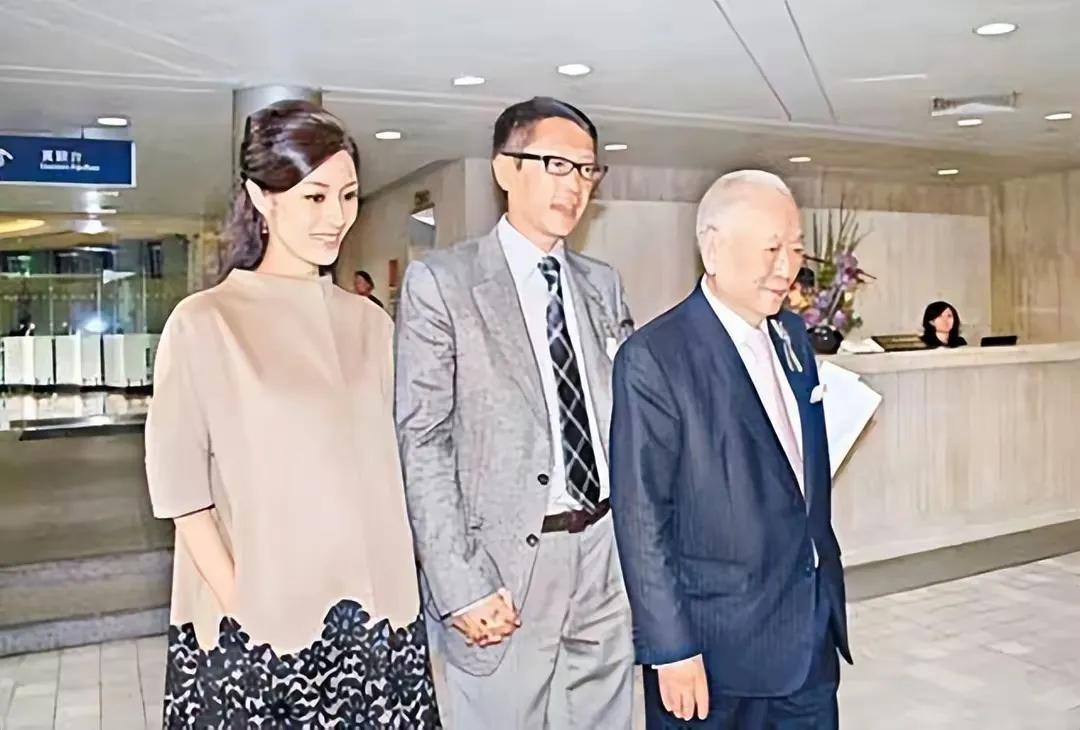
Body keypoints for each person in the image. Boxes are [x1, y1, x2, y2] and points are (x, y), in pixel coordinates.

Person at [144, 100, 440, 728]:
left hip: (379, 626)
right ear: (262, 198)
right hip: (260, 631)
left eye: (348, 197)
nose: (336, 217)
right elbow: (181, 493)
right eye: (315, 197)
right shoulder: (206, 322)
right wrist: (241, 602)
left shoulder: (371, 324)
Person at [394, 96, 635, 729]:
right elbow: (422, 441)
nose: (575, 185)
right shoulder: (443, 283)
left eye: (587, 170)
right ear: (505, 168)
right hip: (505, 561)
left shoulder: (602, 284)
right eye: (557, 165)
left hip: (605, 550)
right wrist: (458, 582)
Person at [610, 170, 851, 729]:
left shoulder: (793, 337)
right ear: (713, 249)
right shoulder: (655, 357)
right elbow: (642, 517)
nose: (787, 267)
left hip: (809, 633)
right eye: (771, 248)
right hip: (715, 653)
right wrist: (671, 649)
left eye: (796, 249)